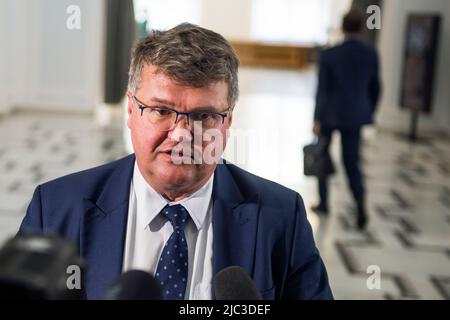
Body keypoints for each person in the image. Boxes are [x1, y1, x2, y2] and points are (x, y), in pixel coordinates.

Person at [18, 23, 333, 300]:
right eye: (161, 110)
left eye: (203, 116)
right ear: (131, 110)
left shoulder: (281, 218)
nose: (182, 134)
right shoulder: (56, 209)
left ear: (227, 122)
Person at [312, 10, 381, 230]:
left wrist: (317, 118)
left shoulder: (330, 54)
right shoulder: (370, 54)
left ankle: (324, 203)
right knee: (352, 162)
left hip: (330, 114)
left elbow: (322, 91)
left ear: (342, 28)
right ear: (361, 28)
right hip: (355, 116)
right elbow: (376, 87)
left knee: (322, 156)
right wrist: (368, 110)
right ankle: (360, 204)